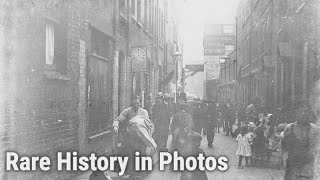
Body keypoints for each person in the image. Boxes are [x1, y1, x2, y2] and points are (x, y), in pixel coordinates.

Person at [113, 95, 152, 178]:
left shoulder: (144, 112)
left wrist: (149, 136)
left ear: (140, 103)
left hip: (141, 138)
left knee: (141, 154)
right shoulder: (127, 111)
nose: (136, 105)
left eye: (137, 103)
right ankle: (131, 173)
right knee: (129, 154)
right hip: (130, 137)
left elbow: (148, 124)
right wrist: (115, 126)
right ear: (131, 103)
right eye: (134, 103)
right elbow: (118, 120)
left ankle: (140, 174)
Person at [282, 101, 320, 180]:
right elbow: (284, 148)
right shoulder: (289, 128)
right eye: (300, 111)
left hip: (308, 169)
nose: (303, 114)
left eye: (305, 111)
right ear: (295, 113)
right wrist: (284, 162)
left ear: (309, 113)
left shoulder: (315, 130)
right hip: (292, 169)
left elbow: (317, 152)